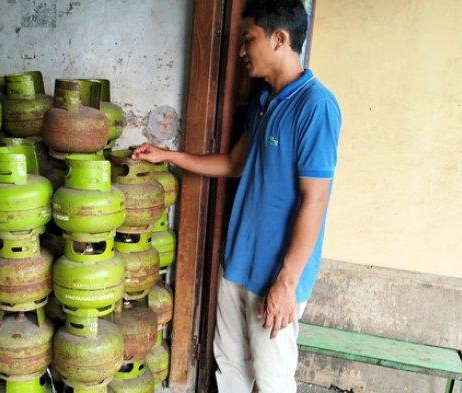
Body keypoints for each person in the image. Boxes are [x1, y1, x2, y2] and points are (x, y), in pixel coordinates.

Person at [131, 0, 341, 391]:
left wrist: (286, 282)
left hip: (275, 276)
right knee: (230, 369)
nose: (243, 51)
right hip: (240, 261)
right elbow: (232, 164)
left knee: (273, 379)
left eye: (249, 40)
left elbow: (316, 199)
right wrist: (167, 155)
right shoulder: (264, 102)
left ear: (280, 39)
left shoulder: (316, 107)